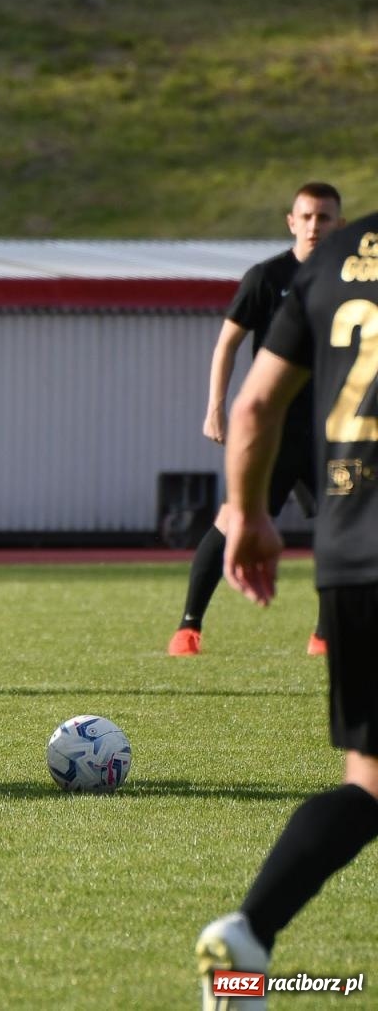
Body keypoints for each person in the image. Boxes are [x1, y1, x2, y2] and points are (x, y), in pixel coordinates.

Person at [195, 210, 378, 1008]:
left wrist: (249, 515)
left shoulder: (334, 257)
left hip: (351, 555)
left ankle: (250, 936)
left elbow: (254, 407)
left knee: (369, 784)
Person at [169, 182, 345, 659]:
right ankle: (188, 628)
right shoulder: (267, 277)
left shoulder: (352, 283)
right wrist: (215, 406)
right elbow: (227, 343)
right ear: (291, 221)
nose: (314, 225)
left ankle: (326, 634)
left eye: (324, 218)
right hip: (272, 433)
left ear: (339, 225)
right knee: (231, 521)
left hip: (331, 436)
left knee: (347, 525)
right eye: (306, 216)